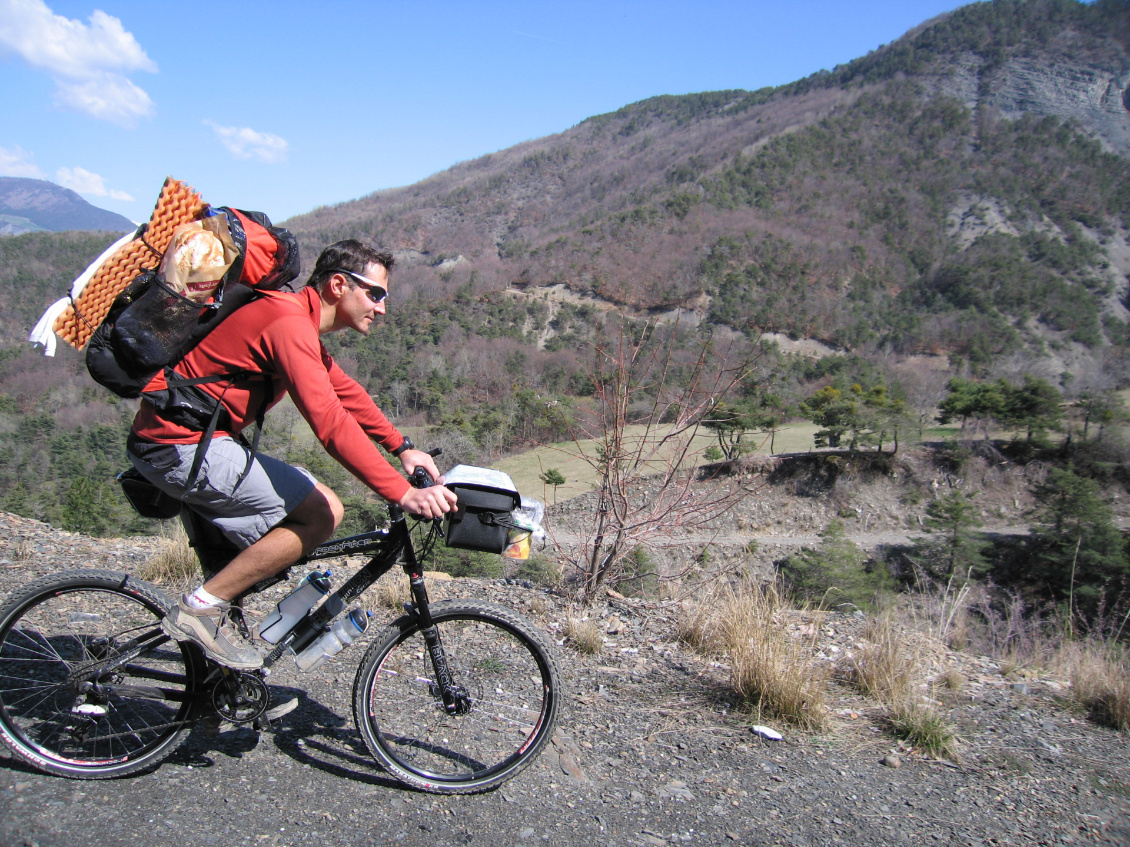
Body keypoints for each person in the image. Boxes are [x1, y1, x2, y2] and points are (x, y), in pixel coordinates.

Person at [127, 239, 458, 670]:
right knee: (321, 513)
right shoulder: (287, 323)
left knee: (272, 535)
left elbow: (346, 392)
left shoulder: (294, 318)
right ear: (339, 285)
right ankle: (200, 609)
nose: (381, 308)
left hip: (193, 444)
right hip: (179, 447)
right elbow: (329, 420)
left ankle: (213, 686)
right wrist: (400, 491)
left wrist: (403, 448)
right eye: (375, 294)